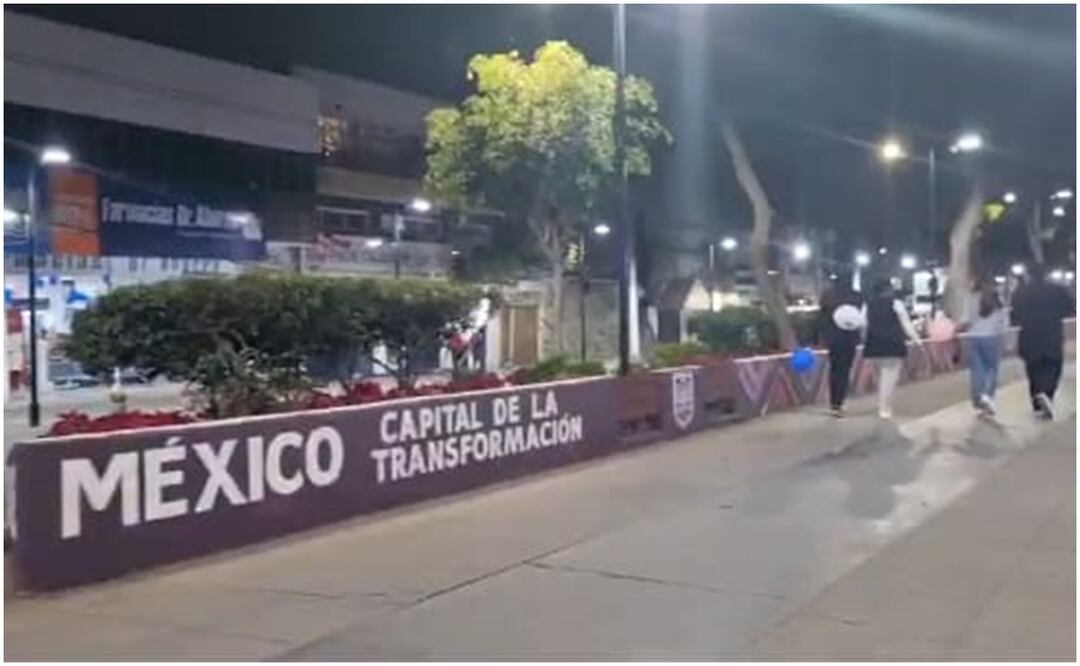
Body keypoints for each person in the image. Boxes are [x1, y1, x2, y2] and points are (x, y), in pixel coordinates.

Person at [1010, 264, 1074, 420]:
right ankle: (1047, 394)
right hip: (1052, 335)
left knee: (1033, 371)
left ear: (1029, 275)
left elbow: (1014, 317)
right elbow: (1070, 309)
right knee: (1053, 369)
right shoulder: (1057, 290)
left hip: (1029, 337)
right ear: (1045, 274)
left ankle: (1038, 402)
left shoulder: (1020, 292)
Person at [864, 277, 923, 419]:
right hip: (892, 345)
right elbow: (906, 325)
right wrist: (917, 340)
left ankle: (882, 405)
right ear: (888, 290)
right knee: (889, 378)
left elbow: (863, 325)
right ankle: (884, 408)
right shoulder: (896, 304)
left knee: (881, 377)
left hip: (873, 345)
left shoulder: (868, 305)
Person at [817, 272, 865, 417]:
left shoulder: (827, 295)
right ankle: (839, 402)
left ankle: (834, 403)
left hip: (833, 339)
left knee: (835, 369)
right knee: (845, 370)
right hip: (849, 338)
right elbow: (859, 316)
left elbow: (822, 316)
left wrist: (822, 336)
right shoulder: (857, 296)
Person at [960, 277, 1008, 417]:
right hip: (993, 337)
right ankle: (987, 395)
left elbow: (965, 320)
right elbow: (1004, 322)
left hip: (974, 337)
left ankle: (978, 399)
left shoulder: (971, 299)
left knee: (977, 370)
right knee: (992, 369)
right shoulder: (998, 301)